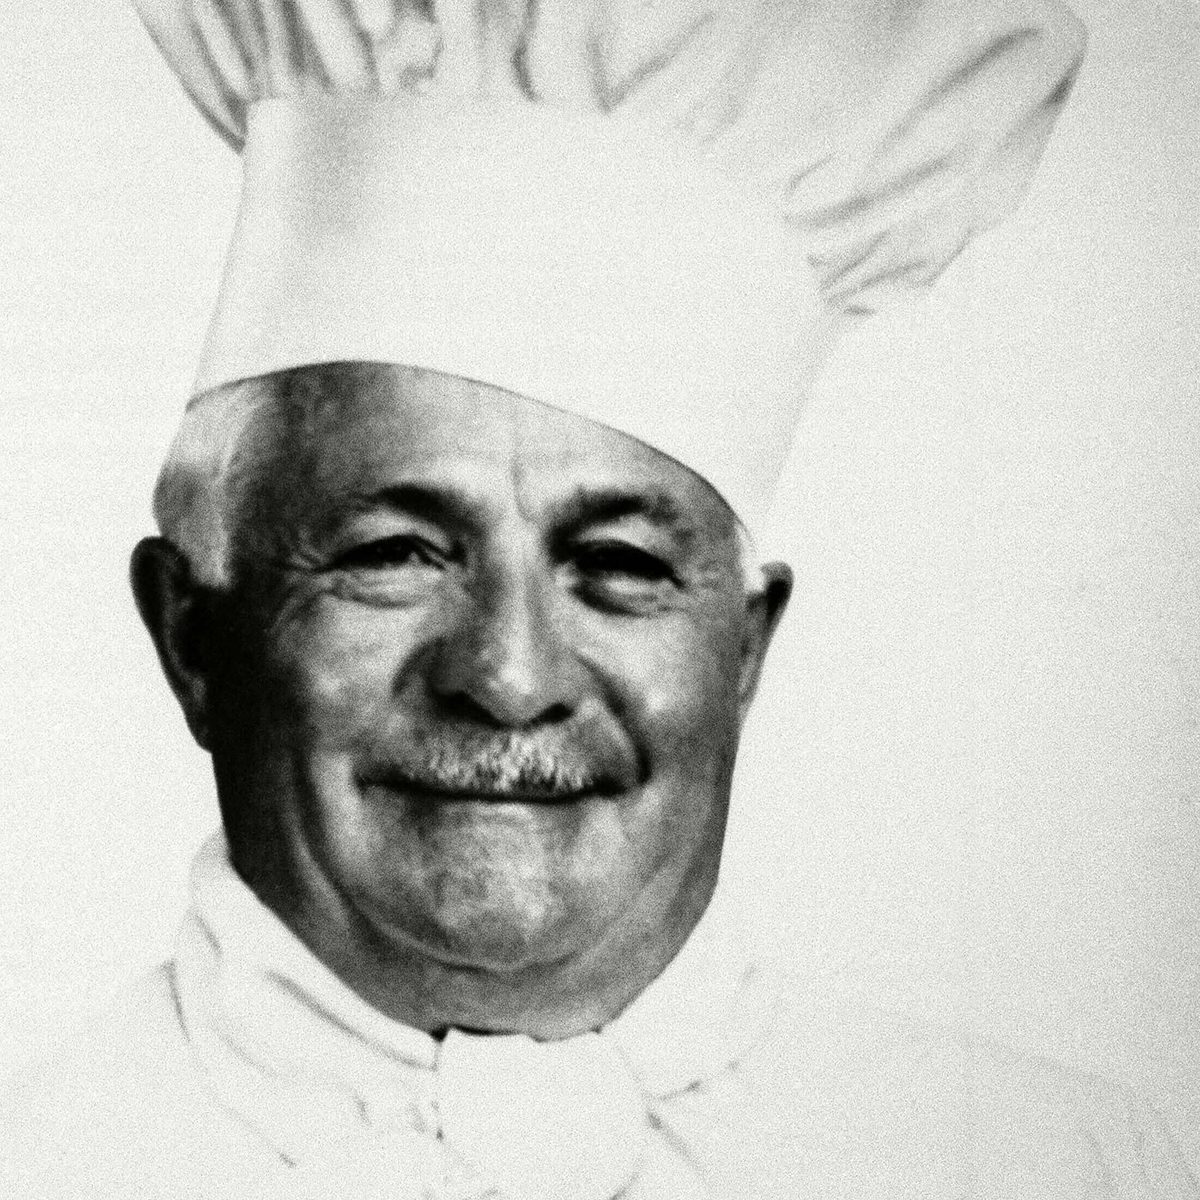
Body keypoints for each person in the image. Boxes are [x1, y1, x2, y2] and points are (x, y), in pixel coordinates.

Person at [5, 0, 1196, 1196]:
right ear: (191, 635)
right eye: (395, 554)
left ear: (744, 652)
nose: (510, 677)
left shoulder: (1057, 1166)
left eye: (621, 567)